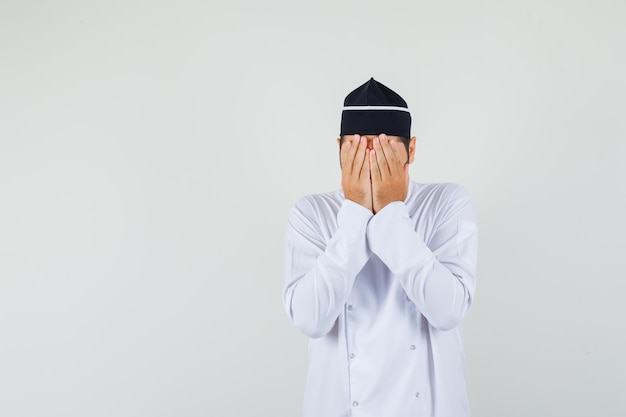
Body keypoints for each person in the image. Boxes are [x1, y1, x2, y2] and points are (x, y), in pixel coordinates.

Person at [283, 78, 478, 417]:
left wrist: (391, 213)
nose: (370, 164)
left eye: (385, 151)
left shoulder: (446, 203)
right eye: (358, 150)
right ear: (339, 148)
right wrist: (356, 211)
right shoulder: (312, 213)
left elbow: (448, 311)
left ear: (411, 150)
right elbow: (311, 319)